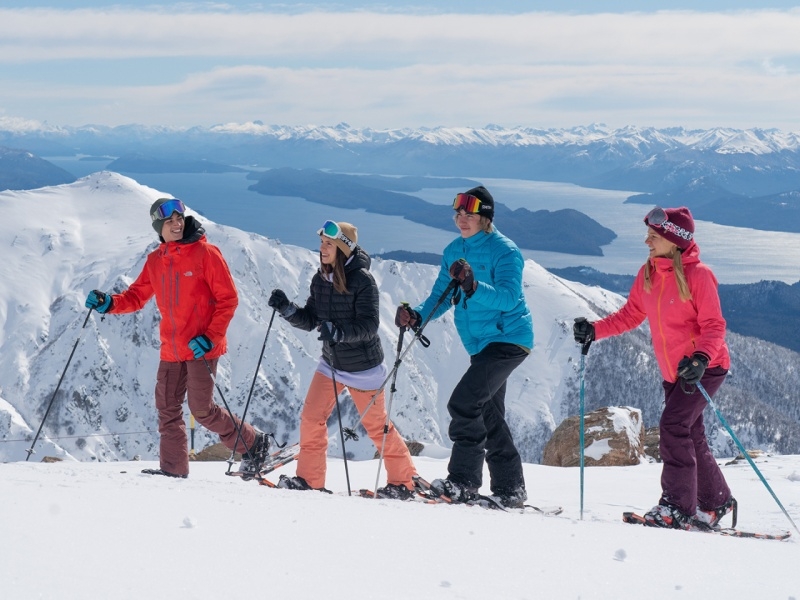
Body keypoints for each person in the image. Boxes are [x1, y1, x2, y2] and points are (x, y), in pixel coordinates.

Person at [573, 206, 736, 530]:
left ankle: (677, 506)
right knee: (690, 431)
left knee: (673, 426)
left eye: (654, 235)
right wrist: (595, 330)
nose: (646, 240)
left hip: (705, 367)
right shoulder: (649, 273)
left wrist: (701, 358)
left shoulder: (699, 275)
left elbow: (714, 326)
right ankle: (716, 500)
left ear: (675, 240)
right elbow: (629, 315)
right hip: (675, 372)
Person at [85, 198, 269, 478]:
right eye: (169, 221)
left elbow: (228, 300)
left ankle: (253, 442)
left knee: (202, 410)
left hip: (202, 348)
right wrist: (109, 303)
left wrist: (210, 337)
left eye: (179, 219)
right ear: (159, 227)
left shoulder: (206, 253)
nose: (176, 224)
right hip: (171, 349)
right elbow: (136, 296)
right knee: (167, 409)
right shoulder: (156, 261)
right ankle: (173, 471)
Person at [395, 186, 533, 508]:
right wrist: (416, 316)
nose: (461, 219)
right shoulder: (453, 251)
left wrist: (472, 284)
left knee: (464, 404)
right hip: (480, 345)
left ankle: (463, 482)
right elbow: (440, 297)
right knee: (488, 414)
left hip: (509, 339)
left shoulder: (505, 251)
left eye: (468, 214)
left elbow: (508, 298)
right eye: (457, 213)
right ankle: (511, 490)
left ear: (485, 217)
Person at [268, 220, 418, 498]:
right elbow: (312, 319)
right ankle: (310, 480)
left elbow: (369, 326)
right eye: (322, 243)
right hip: (332, 363)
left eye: (328, 244)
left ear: (342, 248)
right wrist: (288, 310)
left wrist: (338, 331)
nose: (322, 248)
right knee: (311, 418)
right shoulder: (320, 279)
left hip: (364, 369)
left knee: (376, 426)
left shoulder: (363, 281)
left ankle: (405, 482)